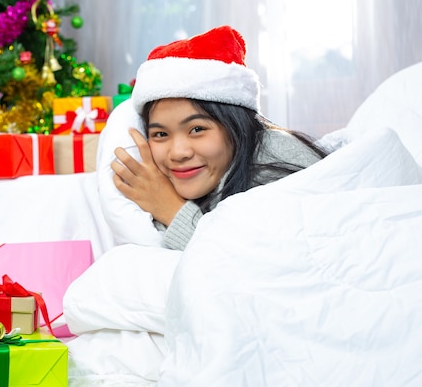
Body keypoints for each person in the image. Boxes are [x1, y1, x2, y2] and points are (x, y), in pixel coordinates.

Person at [111, 25, 329, 251]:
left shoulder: (278, 161)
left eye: (197, 129)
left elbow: (259, 264)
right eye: (161, 134)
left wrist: (171, 209)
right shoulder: (188, 179)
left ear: (236, 127)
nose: (178, 152)